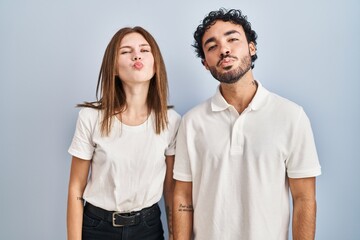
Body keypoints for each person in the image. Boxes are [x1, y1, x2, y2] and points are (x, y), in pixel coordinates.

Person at [173, 8, 321, 240]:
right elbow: (182, 196)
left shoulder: (292, 116)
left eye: (233, 39)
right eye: (212, 46)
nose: (224, 49)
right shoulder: (192, 122)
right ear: (205, 63)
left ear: (252, 48)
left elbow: (304, 198)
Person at [67, 26, 181, 240]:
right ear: (114, 68)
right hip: (97, 227)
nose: (136, 55)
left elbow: (171, 192)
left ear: (156, 65)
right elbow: (75, 188)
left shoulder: (171, 121)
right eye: (125, 51)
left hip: (148, 227)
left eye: (144, 50)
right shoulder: (90, 117)